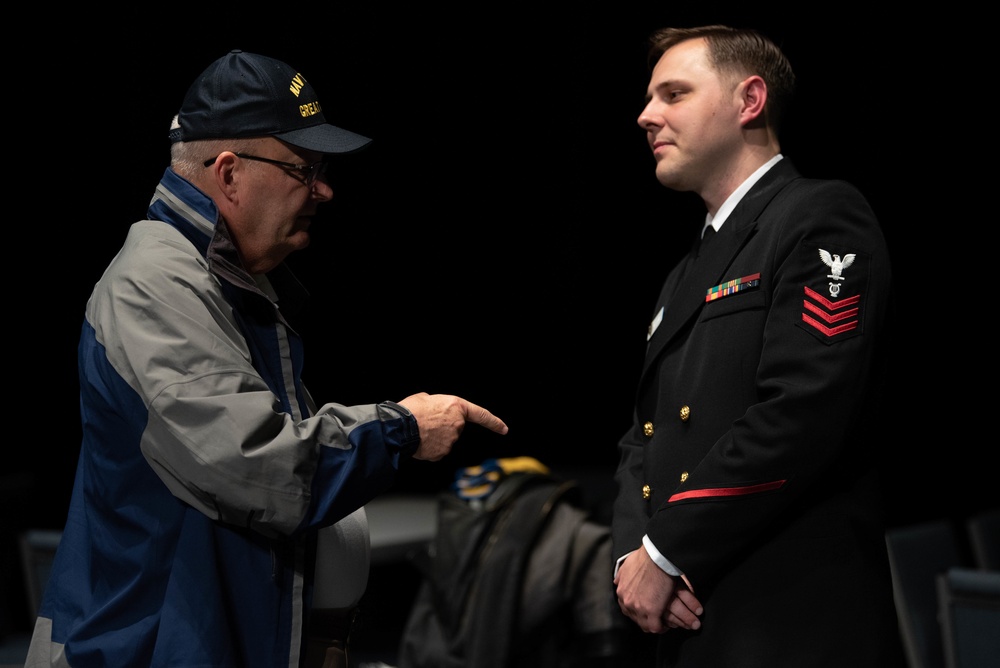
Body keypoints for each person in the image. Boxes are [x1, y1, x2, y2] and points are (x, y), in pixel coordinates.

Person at [25, 49, 507, 668]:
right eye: (304, 169)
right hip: (144, 651)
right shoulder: (156, 286)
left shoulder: (225, 279)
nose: (324, 191)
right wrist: (403, 428)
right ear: (228, 173)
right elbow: (254, 464)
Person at [610, 25, 903, 667]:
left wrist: (666, 551)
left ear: (749, 100)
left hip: (788, 621)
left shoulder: (820, 216)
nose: (645, 115)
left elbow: (802, 411)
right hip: (685, 617)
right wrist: (635, 555)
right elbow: (644, 437)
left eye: (673, 93)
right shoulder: (683, 273)